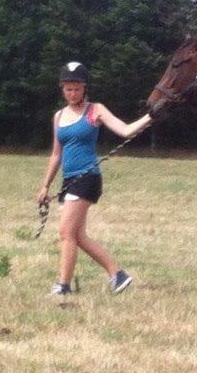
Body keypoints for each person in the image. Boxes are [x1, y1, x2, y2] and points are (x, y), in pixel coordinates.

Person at [36, 62, 152, 295]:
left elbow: (126, 130)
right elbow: (56, 153)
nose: (72, 93)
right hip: (68, 180)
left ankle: (63, 285)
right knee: (77, 235)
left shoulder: (95, 110)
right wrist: (45, 185)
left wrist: (151, 116)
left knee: (65, 233)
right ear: (62, 89)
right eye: (68, 88)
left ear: (84, 88)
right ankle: (118, 275)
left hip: (88, 178)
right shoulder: (58, 117)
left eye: (76, 88)